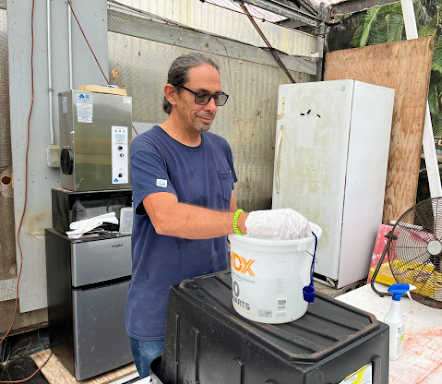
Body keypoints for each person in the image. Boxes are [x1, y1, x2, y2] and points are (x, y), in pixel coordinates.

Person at [126, 52, 311, 377]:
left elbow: (230, 218)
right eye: (201, 96)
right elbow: (166, 218)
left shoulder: (220, 147)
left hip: (216, 303)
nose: (211, 107)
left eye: (217, 97)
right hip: (160, 315)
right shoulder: (148, 148)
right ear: (172, 94)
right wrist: (247, 221)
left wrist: (276, 248)